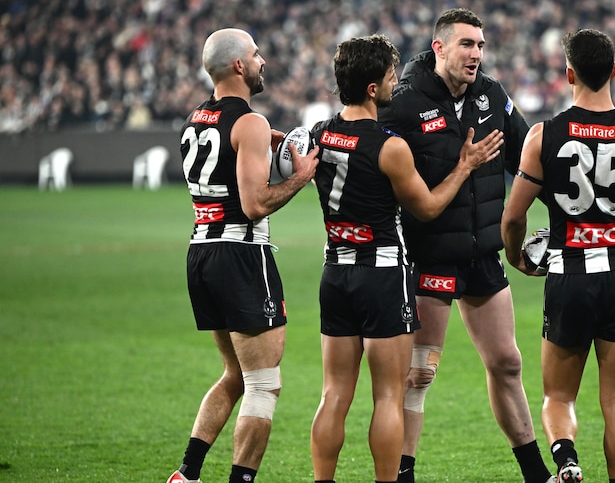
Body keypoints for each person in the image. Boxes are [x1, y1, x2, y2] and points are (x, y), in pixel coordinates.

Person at [308, 34, 504, 483]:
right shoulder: (390, 146)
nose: (398, 84)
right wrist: (465, 166)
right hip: (380, 275)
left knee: (334, 393)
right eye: (392, 77)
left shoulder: (321, 133)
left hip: (335, 269)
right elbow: (429, 207)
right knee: (388, 396)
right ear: (372, 88)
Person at [377, 8, 554, 483]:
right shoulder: (405, 101)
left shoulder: (491, 95)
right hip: (427, 255)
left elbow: (529, 156)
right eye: (467, 45)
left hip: (482, 254)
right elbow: (366, 153)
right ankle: (403, 473)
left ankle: (537, 474)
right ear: (439, 48)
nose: (476, 54)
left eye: (480, 45)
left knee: (507, 362)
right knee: (420, 373)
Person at [500, 29, 615, 483]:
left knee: (558, 396)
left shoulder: (544, 136)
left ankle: (567, 462)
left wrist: (518, 256)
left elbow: (513, 216)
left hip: (569, 274)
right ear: (614, 71)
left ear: (568, 73)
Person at [166, 28, 319, 483]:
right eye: (256, 54)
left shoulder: (194, 120)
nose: (262, 60)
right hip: (242, 252)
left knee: (234, 374)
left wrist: (255, 143)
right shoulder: (248, 122)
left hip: (202, 252)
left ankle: (187, 474)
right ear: (238, 66)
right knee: (263, 383)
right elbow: (256, 204)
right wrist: (302, 176)